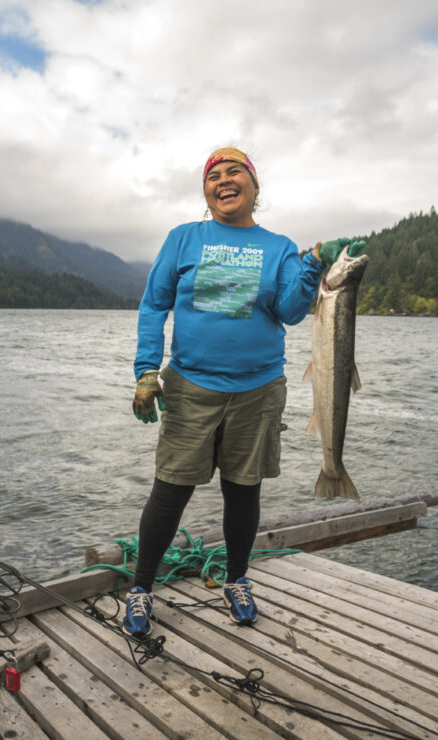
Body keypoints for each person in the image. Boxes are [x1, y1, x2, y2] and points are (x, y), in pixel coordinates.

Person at [124, 146, 363, 637]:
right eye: (214, 175)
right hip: (191, 386)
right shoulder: (183, 238)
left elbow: (293, 311)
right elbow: (153, 306)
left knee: (243, 491)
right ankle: (140, 589)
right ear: (206, 191)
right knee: (170, 491)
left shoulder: (276, 246)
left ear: (255, 187)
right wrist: (147, 370)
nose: (224, 180)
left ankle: (236, 581)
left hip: (258, 390)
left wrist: (314, 264)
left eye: (235, 172)